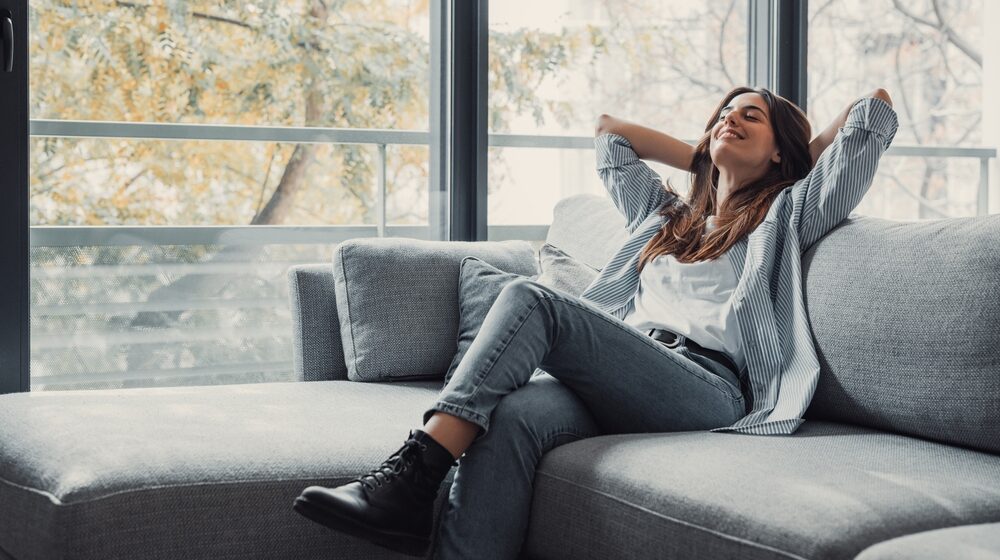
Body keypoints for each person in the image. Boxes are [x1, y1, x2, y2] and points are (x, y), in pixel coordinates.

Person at [292, 86, 899, 559]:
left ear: (779, 150)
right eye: (722, 113)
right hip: (627, 369)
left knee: (534, 298)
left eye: (751, 117)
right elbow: (610, 135)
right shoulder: (664, 217)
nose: (729, 120)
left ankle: (411, 475)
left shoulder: (789, 212)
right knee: (511, 417)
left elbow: (873, 112)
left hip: (706, 388)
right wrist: (706, 157)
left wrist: (796, 158)